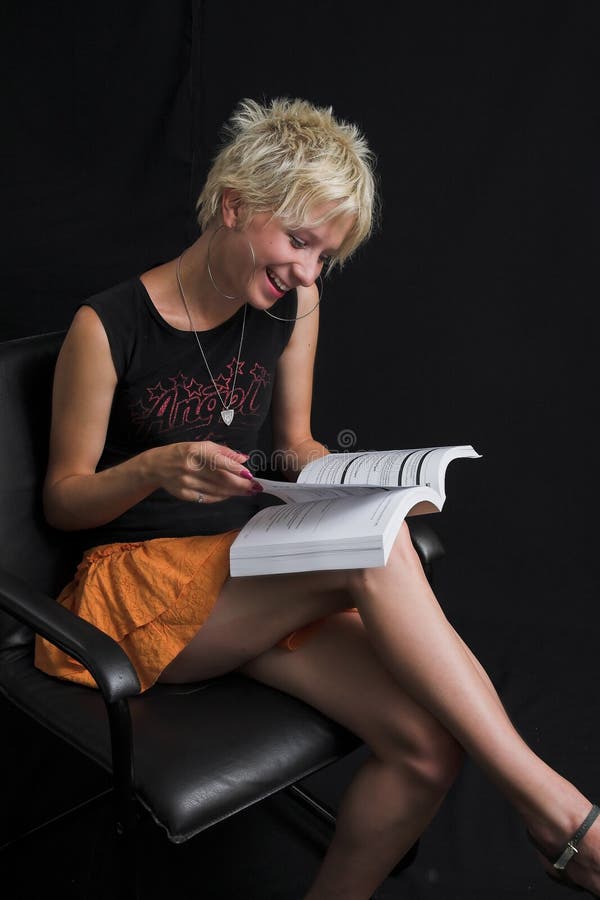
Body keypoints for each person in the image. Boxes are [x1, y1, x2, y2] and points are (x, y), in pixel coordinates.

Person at [34, 96, 599, 899]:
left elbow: (295, 445)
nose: (307, 272)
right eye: (299, 242)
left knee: (426, 751)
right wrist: (152, 470)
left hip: (250, 573)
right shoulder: (109, 325)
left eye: (323, 256)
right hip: (139, 589)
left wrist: (361, 481)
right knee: (378, 551)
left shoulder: (296, 304)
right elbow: (62, 500)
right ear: (235, 205)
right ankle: (562, 816)